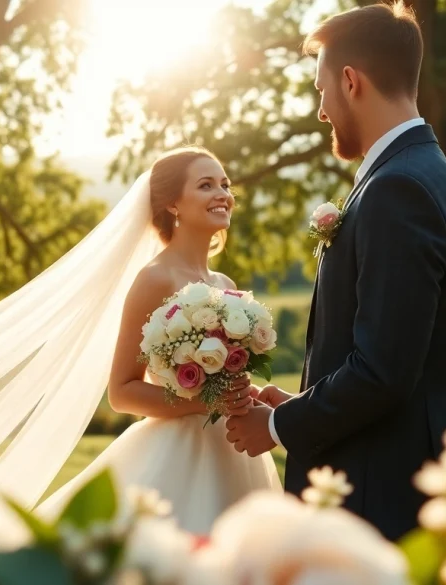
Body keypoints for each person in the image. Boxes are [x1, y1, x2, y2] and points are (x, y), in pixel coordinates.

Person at [224, 0, 446, 541]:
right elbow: (400, 357)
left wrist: (278, 425)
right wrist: (306, 402)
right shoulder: (428, 174)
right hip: (403, 482)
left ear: (350, 81)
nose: (321, 110)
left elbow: (382, 372)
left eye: (321, 89)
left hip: (379, 499)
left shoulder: (398, 190)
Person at [36, 146, 281, 534]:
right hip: (177, 453)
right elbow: (122, 392)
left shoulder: (226, 287)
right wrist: (205, 400)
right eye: (205, 185)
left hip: (234, 451)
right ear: (173, 204)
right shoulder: (155, 279)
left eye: (225, 184)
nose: (222, 194)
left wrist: (246, 391)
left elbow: (219, 377)